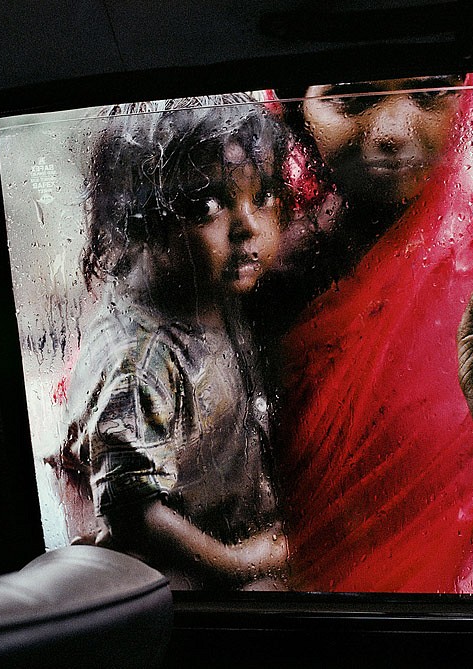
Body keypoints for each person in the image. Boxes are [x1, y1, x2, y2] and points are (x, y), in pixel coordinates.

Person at [257, 74, 473, 593]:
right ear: (294, 108)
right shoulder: (244, 247)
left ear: (467, 100)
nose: (392, 129)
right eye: (352, 99)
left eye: (430, 94)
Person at [47, 96, 291, 590]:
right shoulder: (142, 358)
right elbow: (130, 511)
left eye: (263, 195)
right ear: (139, 221)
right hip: (182, 591)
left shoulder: (209, 285)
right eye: (206, 205)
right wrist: (240, 563)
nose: (248, 227)